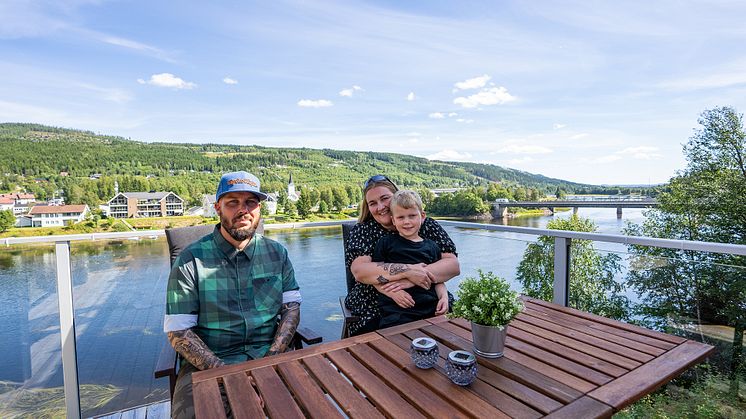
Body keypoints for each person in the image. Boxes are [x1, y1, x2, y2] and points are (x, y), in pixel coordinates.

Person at [164, 171, 301, 419]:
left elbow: (291, 308)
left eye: (250, 202)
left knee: (310, 406)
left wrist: (268, 361)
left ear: (259, 209)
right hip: (208, 364)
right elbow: (179, 332)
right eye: (233, 203)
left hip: (270, 355)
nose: (243, 210)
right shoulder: (191, 260)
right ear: (218, 208)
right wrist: (232, 375)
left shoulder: (277, 253)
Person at [344, 174, 460, 335]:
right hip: (377, 305)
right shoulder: (364, 231)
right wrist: (407, 271)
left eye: (385, 198)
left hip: (428, 298)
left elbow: (452, 266)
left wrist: (412, 280)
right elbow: (360, 272)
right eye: (372, 203)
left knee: (455, 333)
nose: (380, 207)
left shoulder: (426, 225)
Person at [373, 190, 449, 328]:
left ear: (422, 216)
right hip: (398, 312)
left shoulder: (431, 246)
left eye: (412, 216)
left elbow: (438, 280)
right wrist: (393, 294)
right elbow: (376, 277)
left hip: (430, 310)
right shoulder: (386, 243)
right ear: (393, 220)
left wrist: (444, 298)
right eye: (401, 217)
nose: (407, 222)